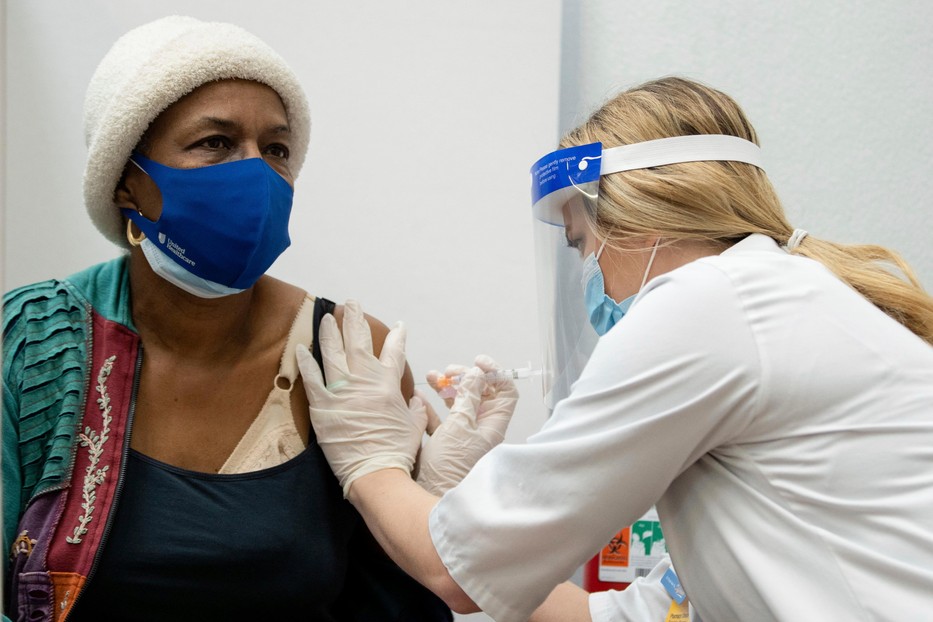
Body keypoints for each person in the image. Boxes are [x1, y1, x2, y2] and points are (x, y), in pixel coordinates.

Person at [296, 77, 933, 622]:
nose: (587, 273)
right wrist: (466, 511)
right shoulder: (777, 297)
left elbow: (453, 577)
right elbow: (618, 615)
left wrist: (372, 461)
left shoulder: (709, 305)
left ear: (641, 217)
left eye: (580, 242)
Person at [2, 15, 457, 621]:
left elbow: (406, 606)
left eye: (276, 150)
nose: (257, 174)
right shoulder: (33, 343)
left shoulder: (346, 354)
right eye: (215, 143)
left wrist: (450, 512)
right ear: (126, 183)